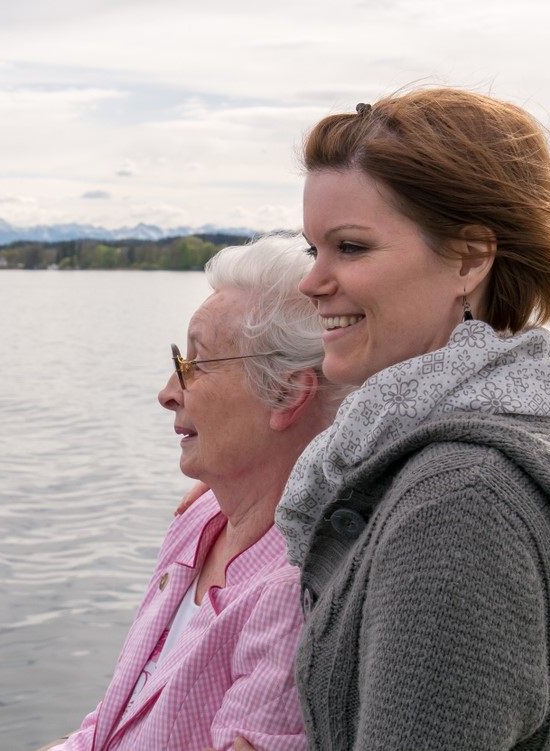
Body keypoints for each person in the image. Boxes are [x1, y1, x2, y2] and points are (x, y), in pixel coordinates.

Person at [238, 87, 550, 751]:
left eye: (350, 247)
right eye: (312, 249)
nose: (311, 282)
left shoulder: (460, 503)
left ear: (468, 258)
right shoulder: (523, 436)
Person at [38, 233, 347, 751]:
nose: (167, 393)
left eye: (195, 364)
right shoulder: (202, 518)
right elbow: (113, 724)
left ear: (288, 393)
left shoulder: (296, 592)